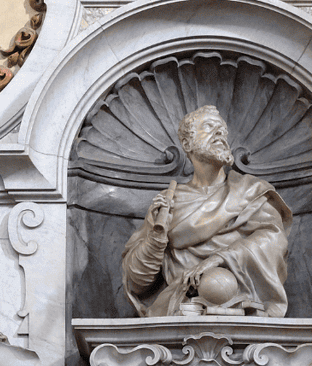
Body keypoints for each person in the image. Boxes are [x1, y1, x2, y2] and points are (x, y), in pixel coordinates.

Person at [121, 105, 292, 317]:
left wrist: (221, 258)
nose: (220, 133)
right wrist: (156, 240)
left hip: (243, 306)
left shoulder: (250, 192)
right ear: (187, 143)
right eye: (210, 127)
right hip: (179, 309)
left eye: (222, 129)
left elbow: (274, 241)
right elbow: (137, 282)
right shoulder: (169, 202)